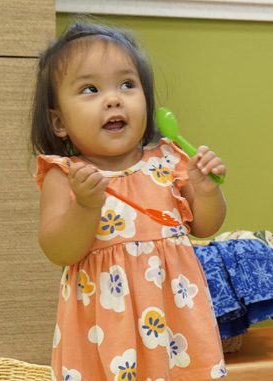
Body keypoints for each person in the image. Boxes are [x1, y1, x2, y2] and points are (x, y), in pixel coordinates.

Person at [31, 20, 228, 380]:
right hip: (105, 325)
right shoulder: (65, 174)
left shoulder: (169, 160)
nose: (113, 98)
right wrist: (85, 206)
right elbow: (59, 250)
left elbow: (204, 226)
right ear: (59, 123)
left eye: (127, 84)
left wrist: (206, 190)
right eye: (90, 89)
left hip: (177, 321)